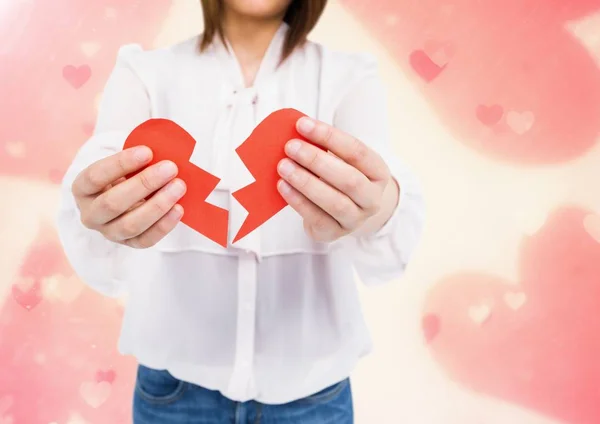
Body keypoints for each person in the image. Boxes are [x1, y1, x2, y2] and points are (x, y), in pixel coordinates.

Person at [56, 0, 425, 422]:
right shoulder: (144, 72)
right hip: (172, 394)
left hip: (314, 395)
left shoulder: (349, 75)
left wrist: (380, 209)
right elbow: (97, 208)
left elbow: (388, 242)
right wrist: (98, 212)